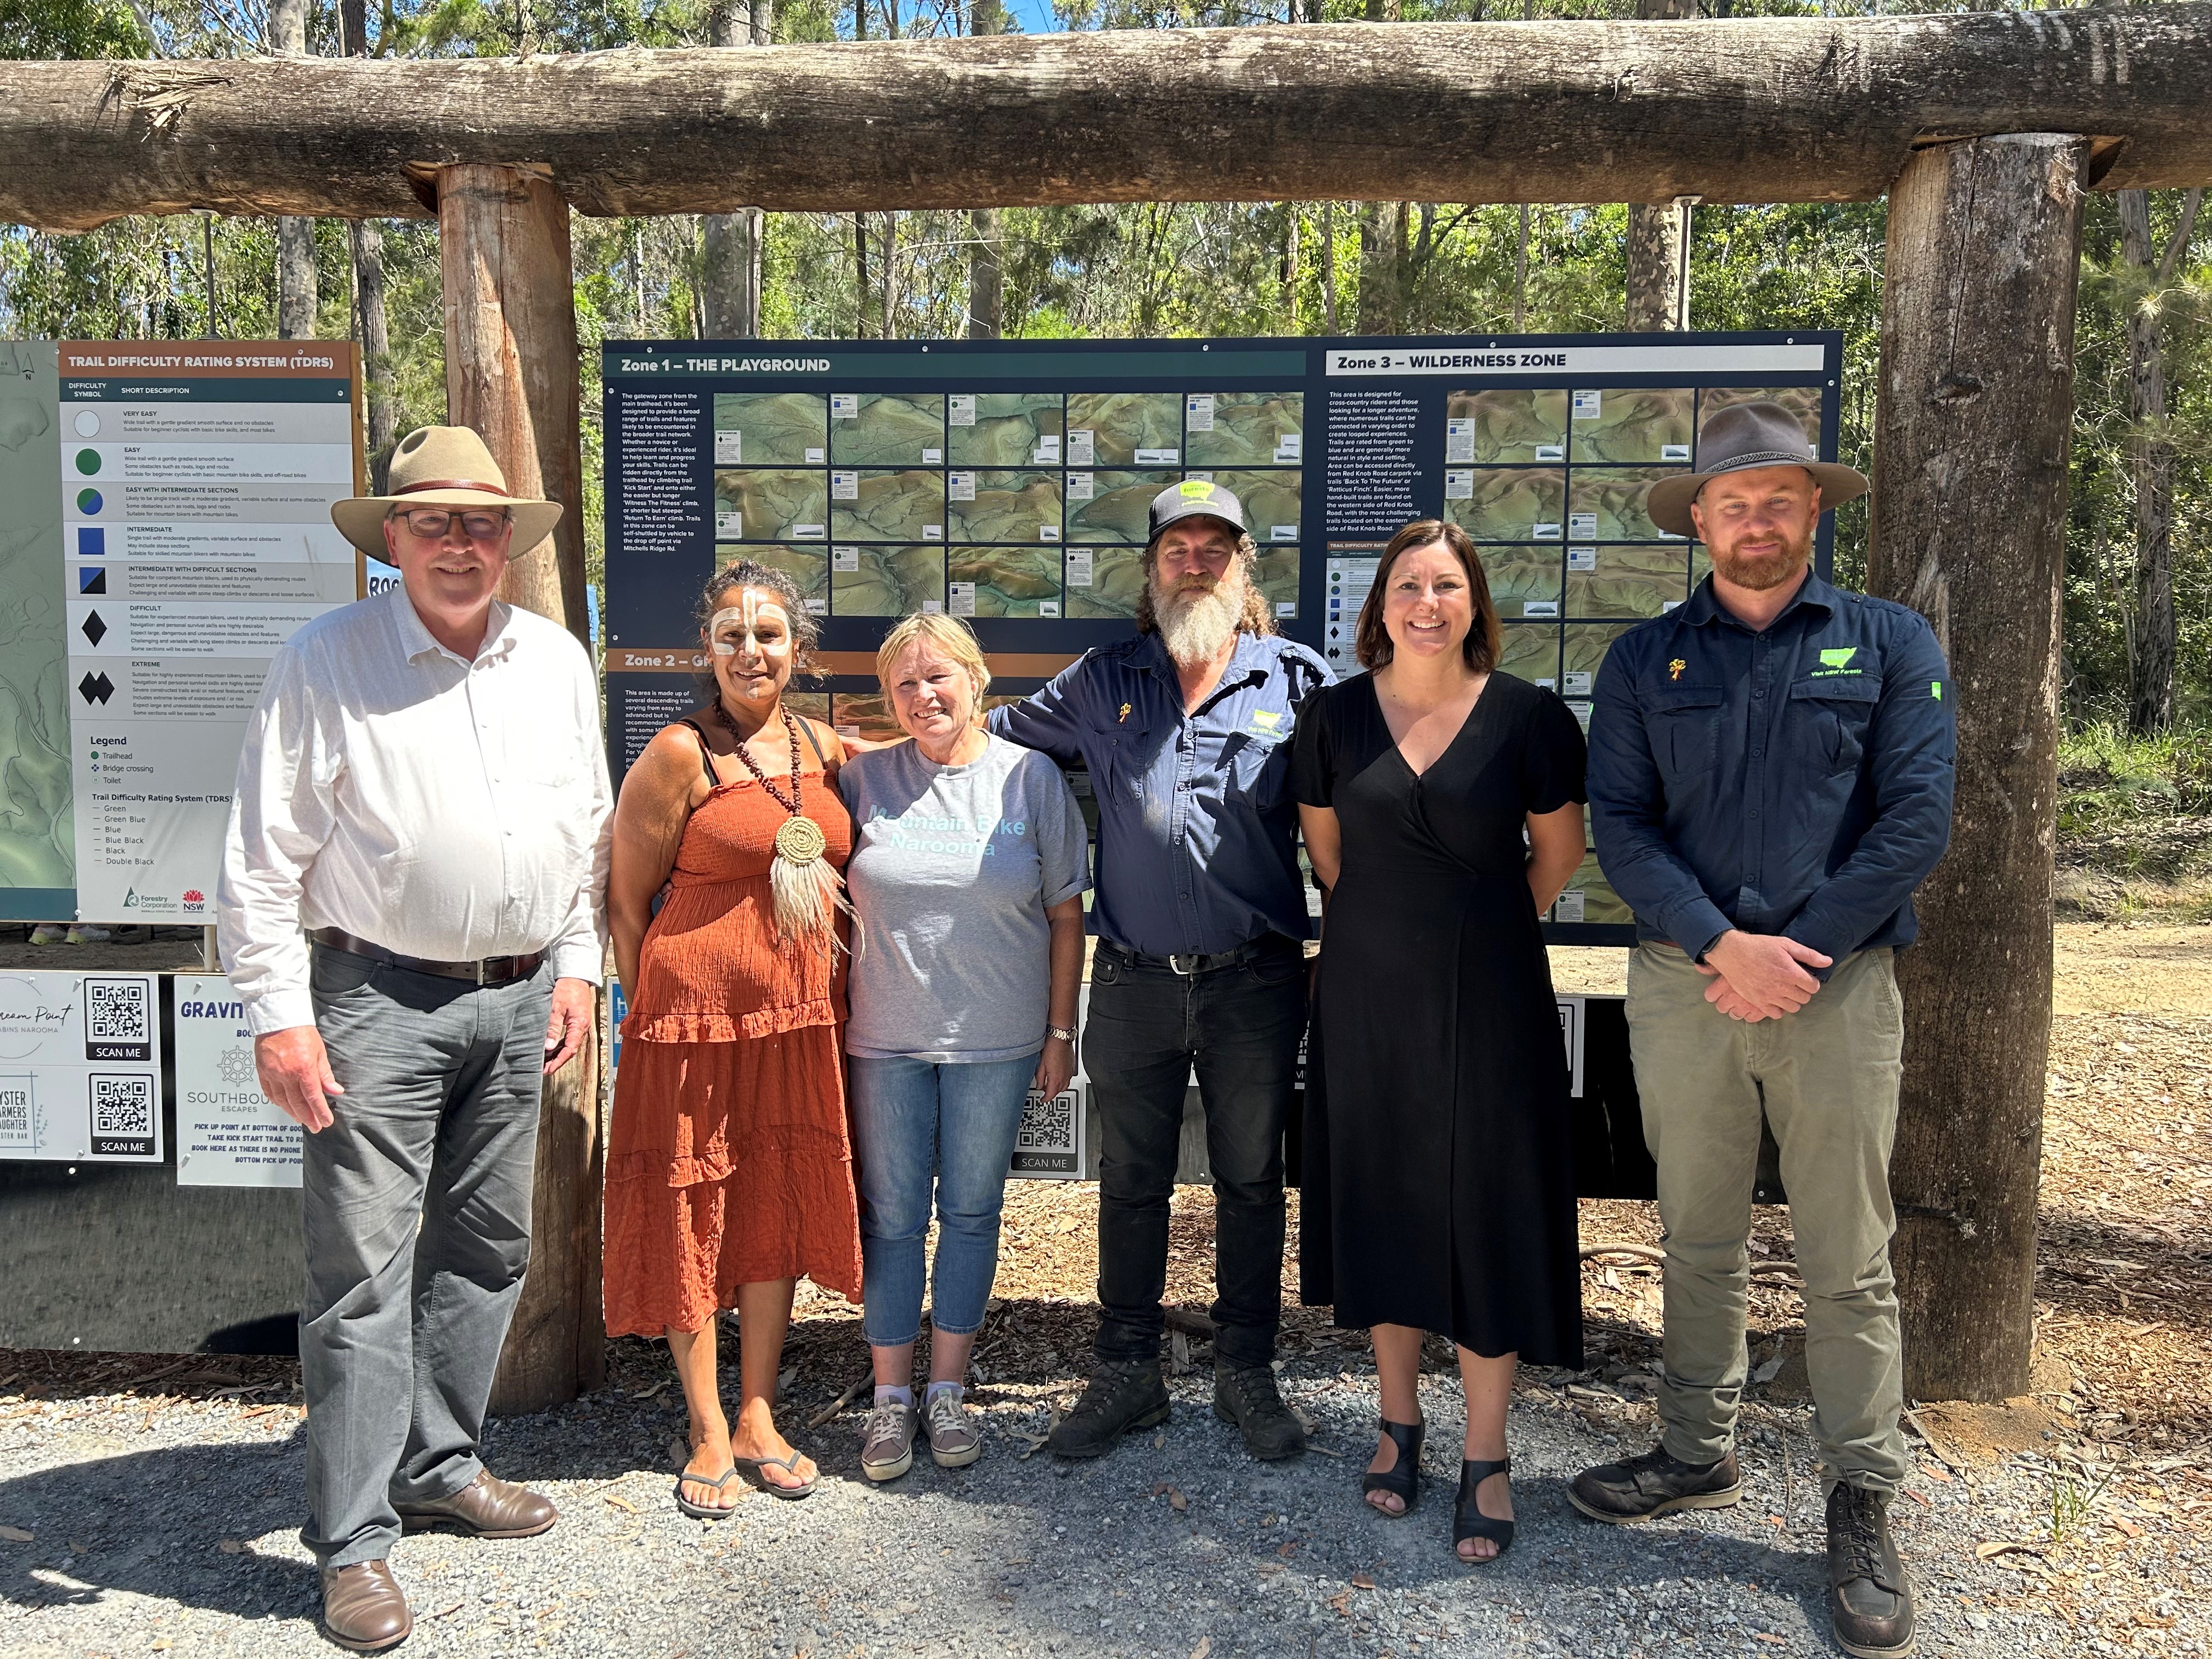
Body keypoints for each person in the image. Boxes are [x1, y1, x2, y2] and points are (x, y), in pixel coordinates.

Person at [217, 425, 610, 1654]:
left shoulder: (554, 661)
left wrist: (579, 967)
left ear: (509, 540)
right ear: (392, 537)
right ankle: (352, 1545)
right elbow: (259, 859)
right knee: (361, 1278)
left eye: (480, 522)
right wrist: (281, 1018)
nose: (458, 543)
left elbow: (586, 831)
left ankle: (438, 1463)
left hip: (518, 998)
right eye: (432, 521)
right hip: (373, 1001)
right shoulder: (326, 659)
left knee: (489, 1247)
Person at [1576, 401, 1954, 1659]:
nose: (1756, 521)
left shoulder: (1889, 642)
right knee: (1697, 1233)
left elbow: (1915, 818)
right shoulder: (1644, 660)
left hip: (1835, 990)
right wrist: (1720, 945)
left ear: (1813, 510)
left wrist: (1799, 953)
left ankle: (1862, 1496)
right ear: (1700, 519)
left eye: (1778, 500)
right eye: (1733, 502)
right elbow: (1622, 824)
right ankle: (1696, 1450)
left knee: (1848, 1252)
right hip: (1687, 986)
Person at [988, 479, 1331, 1463]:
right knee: (1131, 1180)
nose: (1195, 565)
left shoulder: (1298, 684)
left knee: (1251, 1180)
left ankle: (1247, 1369)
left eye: (1215, 549)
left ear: (1243, 566)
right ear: (1151, 569)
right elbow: (980, 739)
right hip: (1134, 981)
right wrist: (849, 751)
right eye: (1177, 550)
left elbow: (1360, 812)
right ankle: (1127, 1370)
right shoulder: (1101, 682)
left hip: (1254, 981)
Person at [1291, 518, 1587, 1562]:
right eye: (1409, 585)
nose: (1427, 603)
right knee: (1384, 1196)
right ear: (1380, 604)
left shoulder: (1530, 718)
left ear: (1475, 603)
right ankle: (1398, 1420)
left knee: (1487, 1207)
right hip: (1368, 998)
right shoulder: (1332, 717)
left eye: (1447, 586)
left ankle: (1488, 1453)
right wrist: (1399, 933)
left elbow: (1557, 855)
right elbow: (1331, 855)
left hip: (1491, 997)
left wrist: (1476, 926)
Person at [602, 560, 862, 1517]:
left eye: (769, 635)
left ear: (799, 649)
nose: (751, 651)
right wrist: (657, 1018)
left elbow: (929, 751)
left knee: (772, 1196)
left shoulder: (824, 747)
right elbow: (627, 904)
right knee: (691, 1202)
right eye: (731, 636)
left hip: (797, 1024)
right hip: (692, 1025)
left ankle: (757, 1412)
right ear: (706, 650)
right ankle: (706, 1423)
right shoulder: (681, 753)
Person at [837, 612, 1090, 1481]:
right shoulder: (864, 780)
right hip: (884, 1041)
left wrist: (1060, 1033)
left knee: (974, 1213)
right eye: (904, 684)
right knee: (893, 1220)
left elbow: (1067, 916)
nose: (923, 696)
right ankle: (890, 1399)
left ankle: (947, 1391)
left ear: (977, 680)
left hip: (999, 1042)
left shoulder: (1031, 779)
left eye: (938, 676)